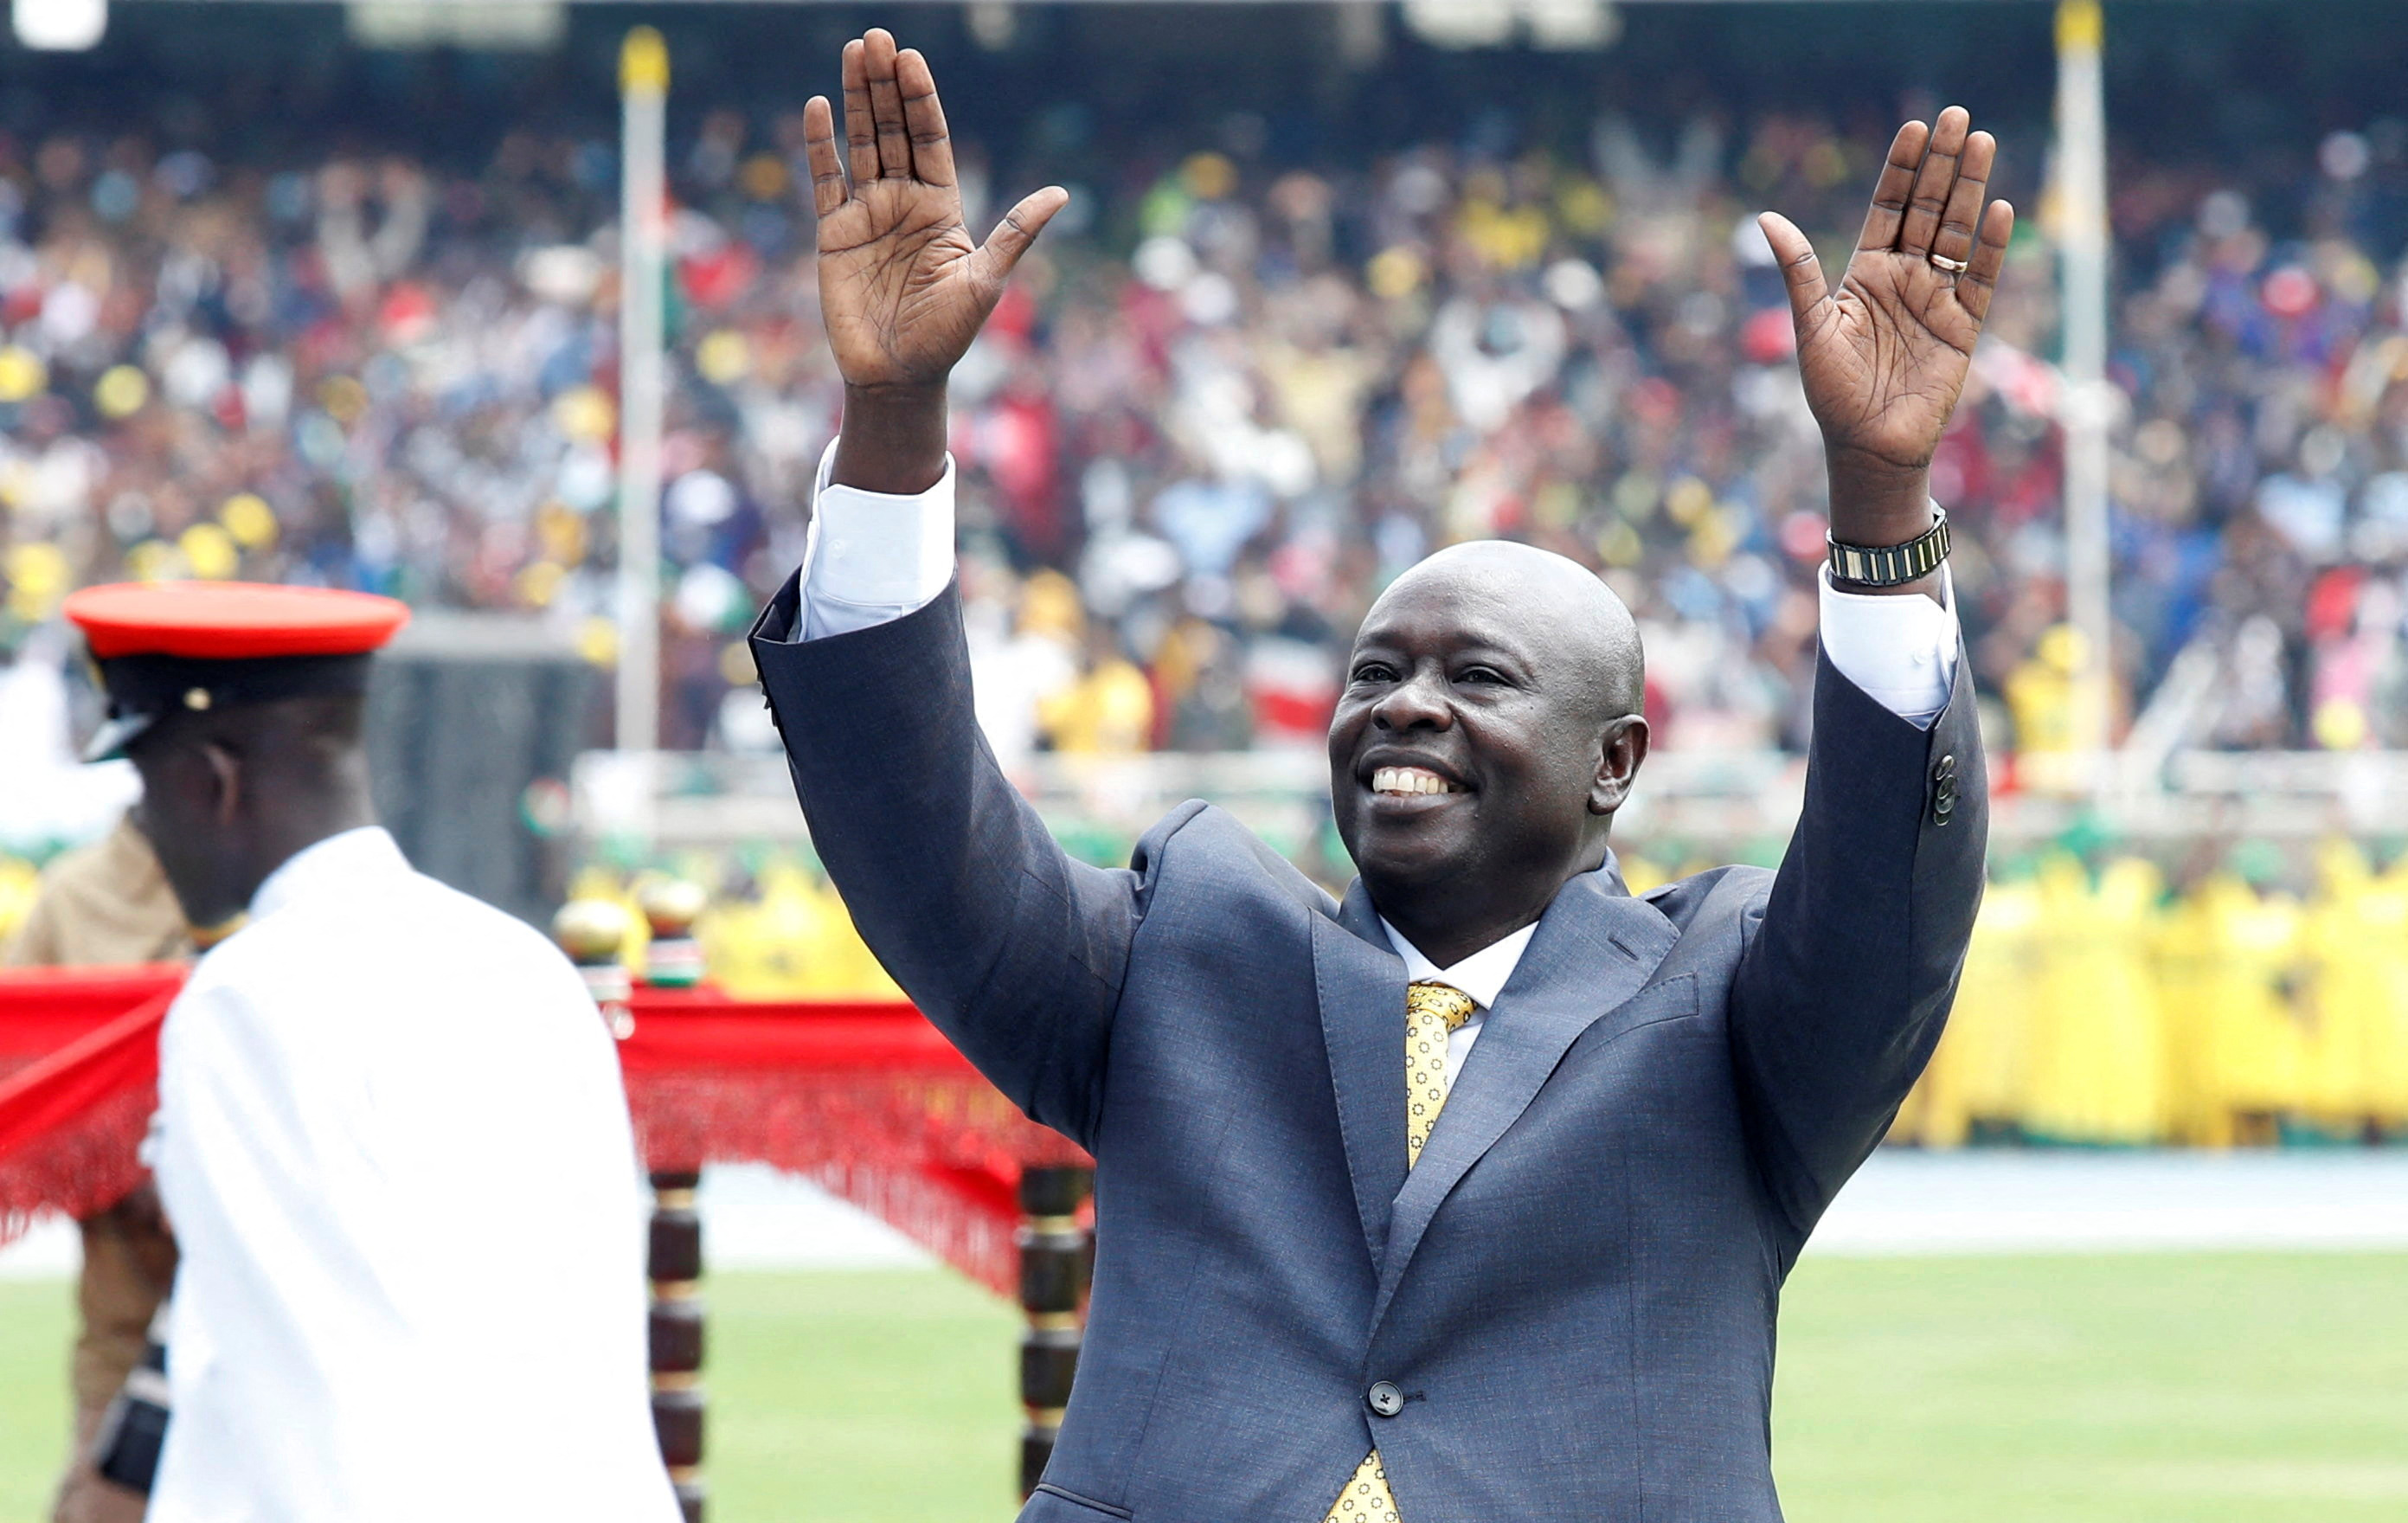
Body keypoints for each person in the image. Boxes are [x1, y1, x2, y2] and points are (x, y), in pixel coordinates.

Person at [756, 33, 2001, 1520]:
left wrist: (1878, 499)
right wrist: (893, 427)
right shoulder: (1182, 946)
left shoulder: (1725, 1001)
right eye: (1373, 673)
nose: (1402, 709)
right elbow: (915, 833)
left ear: (1613, 766)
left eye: (1475, 679)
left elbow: (1886, 897)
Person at [59, 582, 681, 1523]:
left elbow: (294, 1396)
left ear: (211, 783)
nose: (153, 833)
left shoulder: (246, 997)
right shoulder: (518, 962)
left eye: (151, 794)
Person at [5, 813, 189, 1523]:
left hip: (281, 1358)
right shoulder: (78, 898)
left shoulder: (297, 907)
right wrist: (119, 1159)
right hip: (130, 1351)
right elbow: (19, 1090)